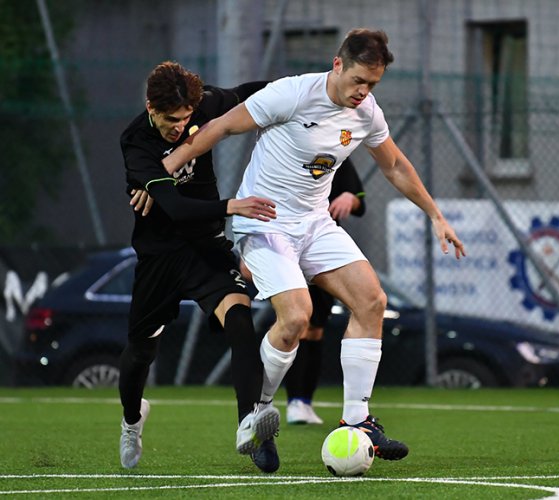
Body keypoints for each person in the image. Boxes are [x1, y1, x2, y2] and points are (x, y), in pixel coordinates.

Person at [161, 29, 466, 469]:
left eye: (373, 85)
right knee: (297, 316)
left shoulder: (366, 113)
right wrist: (163, 171)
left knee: (371, 301)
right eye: (359, 80)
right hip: (264, 222)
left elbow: (395, 164)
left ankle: (359, 421)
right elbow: (224, 125)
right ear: (337, 65)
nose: (364, 92)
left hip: (315, 225)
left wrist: (436, 215)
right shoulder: (291, 93)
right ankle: (256, 414)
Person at [118, 61, 280, 472]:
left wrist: (314, 86)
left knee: (241, 321)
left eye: (187, 118)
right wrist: (232, 206)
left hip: (206, 249)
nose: (180, 126)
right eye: (171, 120)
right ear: (150, 106)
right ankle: (132, 421)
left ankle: (252, 426)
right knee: (140, 353)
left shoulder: (203, 103)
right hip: (160, 257)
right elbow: (173, 208)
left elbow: (249, 90)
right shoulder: (136, 142)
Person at [284, 157, 366, 425]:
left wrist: (348, 198)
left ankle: (305, 402)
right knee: (298, 323)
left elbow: (358, 199)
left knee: (316, 330)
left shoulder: (335, 152)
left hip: (324, 250)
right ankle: (291, 400)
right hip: (290, 246)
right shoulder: (286, 149)